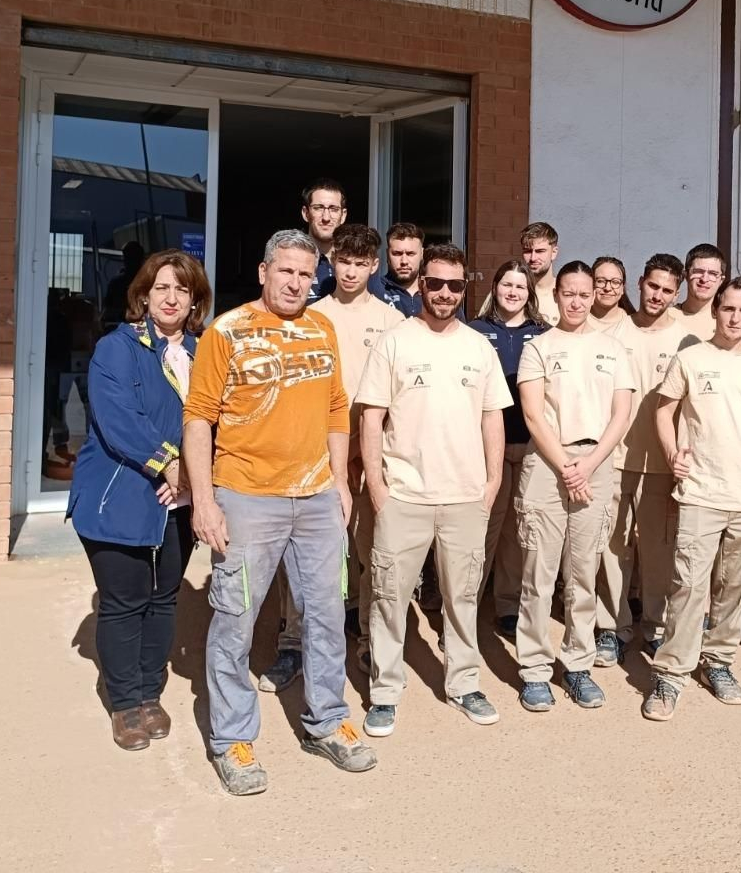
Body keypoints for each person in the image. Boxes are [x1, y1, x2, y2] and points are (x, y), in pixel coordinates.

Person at [181, 229, 375, 796]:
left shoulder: (322, 327)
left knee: (325, 614)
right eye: (285, 271)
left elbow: (338, 409)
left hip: (316, 498)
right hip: (247, 497)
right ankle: (232, 739)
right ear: (264, 272)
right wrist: (207, 500)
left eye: (304, 274)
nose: (295, 283)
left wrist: (339, 481)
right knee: (235, 620)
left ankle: (326, 719)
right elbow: (198, 418)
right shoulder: (229, 331)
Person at [358, 245, 514, 736]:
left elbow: (493, 418)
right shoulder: (394, 341)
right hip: (404, 496)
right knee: (388, 597)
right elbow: (371, 417)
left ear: (465, 288)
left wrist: (491, 484)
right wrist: (379, 490)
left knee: (462, 597)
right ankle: (385, 690)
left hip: (465, 498)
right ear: (421, 285)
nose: (445, 293)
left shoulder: (477, 347)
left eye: (455, 285)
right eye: (436, 283)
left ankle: (464, 683)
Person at [67, 250, 210, 750]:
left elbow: (217, 418)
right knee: (125, 601)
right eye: (162, 287)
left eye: (183, 289)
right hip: (119, 495)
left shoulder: (203, 351)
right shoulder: (117, 347)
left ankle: (151, 693)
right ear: (144, 295)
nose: (172, 298)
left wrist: (195, 478)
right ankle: (125, 702)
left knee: (164, 596)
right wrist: (170, 463)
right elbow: (118, 418)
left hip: (181, 499)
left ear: (195, 300)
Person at [642, 276, 741, 720]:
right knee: (687, 584)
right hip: (701, 490)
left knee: (735, 586)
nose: (736, 317)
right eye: (728, 309)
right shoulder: (690, 359)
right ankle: (670, 674)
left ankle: (718, 661)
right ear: (716, 312)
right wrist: (672, 454)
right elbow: (663, 411)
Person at [515, 261, 635, 711]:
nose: (578, 301)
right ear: (557, 295)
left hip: (596, 462)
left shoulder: (613, 348)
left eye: (586, 294)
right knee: (539, 574)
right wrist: (568, 466)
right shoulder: (538, 347)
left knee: (583, 573)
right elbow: (532, 414)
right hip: (549, 462)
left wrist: (588, 464)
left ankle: (578, 664)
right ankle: (534, 669)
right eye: (569, 293)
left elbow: (621, 414)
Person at [308, 224, 405, 675]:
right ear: (332, 261)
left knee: (370, 549)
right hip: (318, 450)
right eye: (343, 261)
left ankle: (369, 638)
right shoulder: (311, 316)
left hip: (372, 451)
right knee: (318, 550)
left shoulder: (392, 320)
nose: (350, 271)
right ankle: (299, 638)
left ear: (374, 266)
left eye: (360, 263)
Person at [596, 253, 688, 664]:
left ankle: (654, 625)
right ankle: (611, 627)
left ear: (677, 293)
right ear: (640, 284)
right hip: (614, 458)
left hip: (663, 462)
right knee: (613, 546)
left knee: (657, 549)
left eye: (668, 290)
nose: (658, 296)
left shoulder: (687, 340)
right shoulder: (613, 332)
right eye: (653, 286)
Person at [468, 260, 550, 640]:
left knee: (519, 532)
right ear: (496, 288)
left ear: (530, 292)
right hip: (488, 448)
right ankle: (465, 606)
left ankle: (507, 605)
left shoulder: (545, 335)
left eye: (521, 286)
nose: (513, 292)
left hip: (532, 446)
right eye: (507, 285)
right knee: (484, 528)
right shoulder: (474, 332)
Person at [300, 179, 348, 303]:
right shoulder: (291, 259)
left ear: (343, 215)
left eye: (333, 209)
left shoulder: (355, 262)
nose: (326, 217)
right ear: (306, 213)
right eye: (318, 208)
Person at [675, 243, 727, 342]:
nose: (704, 279)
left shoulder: (732, 320)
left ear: (721, 280)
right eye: (698, 271)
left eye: (713, 274)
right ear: (686, 275)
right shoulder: (666, 316)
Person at [371, 222, 424, 317]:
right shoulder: (374, 290)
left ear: (422, 254)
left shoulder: (434, 292)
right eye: (397, 253)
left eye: (410, 254)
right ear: (387, 254)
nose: (404, 261)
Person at [585, 256, 636, 335]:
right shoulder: (578, 319)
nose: (607, 288)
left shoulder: (634, 324)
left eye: (615, 282)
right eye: (600, 281)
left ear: (622, 288)